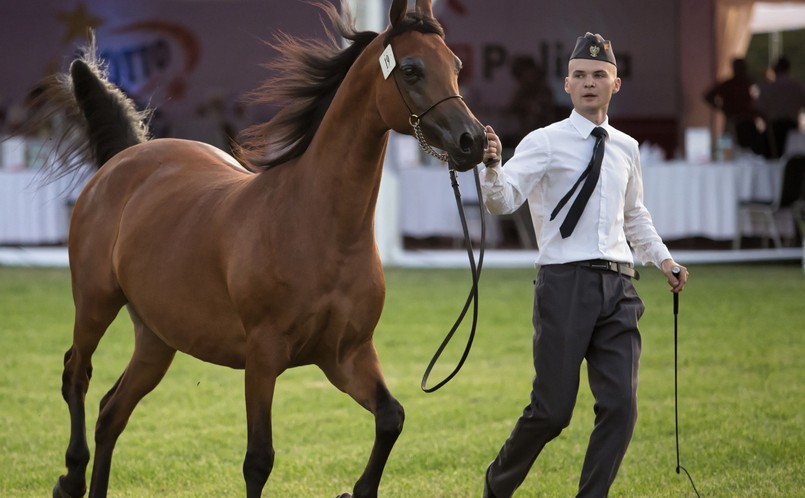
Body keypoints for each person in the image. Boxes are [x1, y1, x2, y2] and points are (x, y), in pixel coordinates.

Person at [479, 32, 689, 498]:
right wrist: (492, 167)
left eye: (599, 75)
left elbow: (634, 215)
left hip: (620, 288)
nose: (589, 82)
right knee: (552, 412)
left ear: (616, 83)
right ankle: (497, 485)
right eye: (579, 76)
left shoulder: (626, 147)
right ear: (567, 85)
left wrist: (663, 259)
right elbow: (502, 201)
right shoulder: (544, 142)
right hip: (564, 284)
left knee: (621, 408)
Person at [704, 57, 763, 154]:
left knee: (748, 151)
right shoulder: (730, 84)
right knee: (731, 151)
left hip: (747, 121)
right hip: (734, 121)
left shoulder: (747, 83)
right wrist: (722, 108)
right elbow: (708, 96)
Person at [756, 56, 805, 158]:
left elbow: (758, 109)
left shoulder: (768, 87)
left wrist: (766, 120)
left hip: (774, 129)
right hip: (791, 127)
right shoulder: (797, 86)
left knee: (772, 158)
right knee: (791, 159)